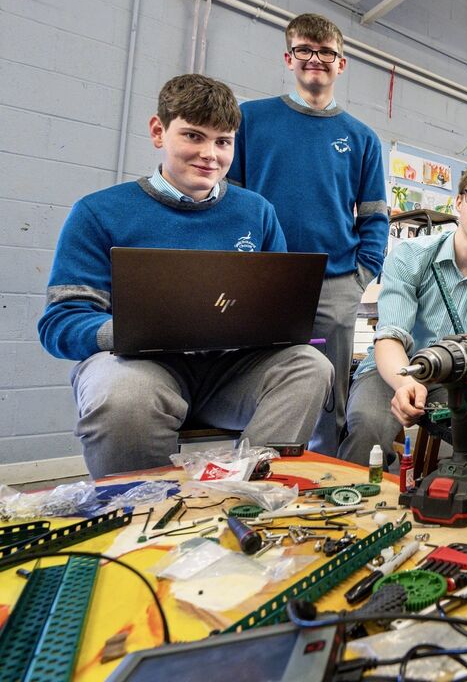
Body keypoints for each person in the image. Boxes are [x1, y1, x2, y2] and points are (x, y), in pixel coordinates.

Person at [38, 74, 333, 478]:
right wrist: (133, 330)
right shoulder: (98, 212)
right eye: (194, 136)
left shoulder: (257, 212)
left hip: (228, 374)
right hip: (139, 368)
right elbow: (60, 322)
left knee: (310, 365)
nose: (209, 154)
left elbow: (276, 311)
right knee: (123, 393)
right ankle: (138, 509)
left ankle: (250, 490)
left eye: (223, 142)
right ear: (159, 131)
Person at [231, 13, 388, 456]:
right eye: (305, 50)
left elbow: (375, 214)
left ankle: (323, 478)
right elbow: (231, 201)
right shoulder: (250, 120)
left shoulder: (361, 138)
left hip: (334, 282)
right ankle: (254, 473)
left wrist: (360, 275)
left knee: (328, 396)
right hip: (262, 282)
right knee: (254, 381)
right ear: (289, 57)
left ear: (342, 63)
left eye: (326, 52)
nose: (315, 59)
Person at [338, 160, 467, 468]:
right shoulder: (410, 255)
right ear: (459, 202)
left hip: (457, 379)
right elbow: (390, 337)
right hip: (392, 371)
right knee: (367, 430)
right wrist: (404, 385)